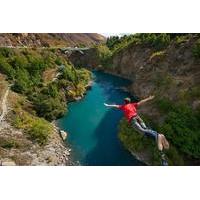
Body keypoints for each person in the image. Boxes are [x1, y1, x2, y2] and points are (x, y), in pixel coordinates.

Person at [104, 96, 169, 152]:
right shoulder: (132, 104)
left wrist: (108, 105)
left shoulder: (123, 106)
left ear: (124, 102)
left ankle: (157, 136)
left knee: (142, 131)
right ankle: (157, 135)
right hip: (138, 117)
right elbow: (141, 101)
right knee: (145, 129)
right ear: (129, 101)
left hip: (133, 119)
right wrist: (149, 98)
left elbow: (115, 106)